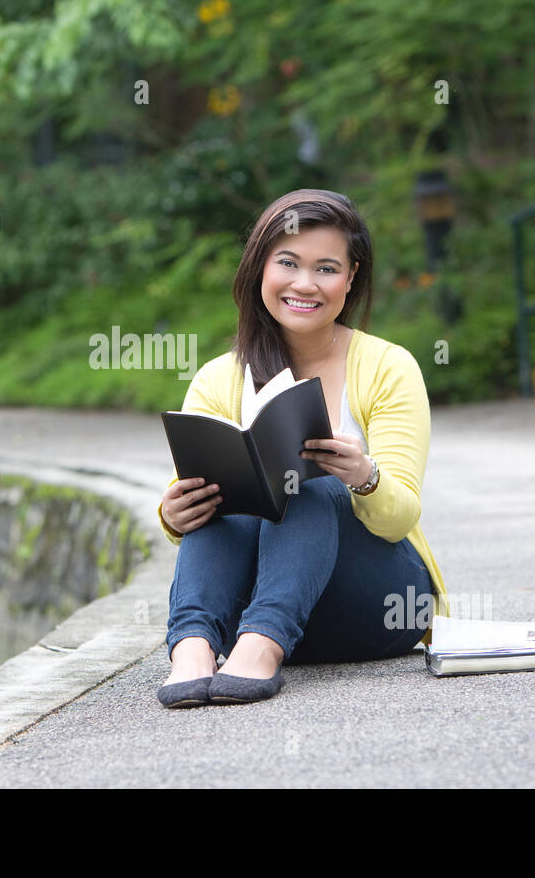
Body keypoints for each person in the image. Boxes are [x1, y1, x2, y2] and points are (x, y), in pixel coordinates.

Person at [156, 188, 450, 708]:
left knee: (308, 486)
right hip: (250, 614)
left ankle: (261, 653)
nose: (305, 284)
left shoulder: (388, 366)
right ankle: (193, 650)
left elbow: (399, 520)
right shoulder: (218, 379)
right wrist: (175, 514)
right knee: (226, 501)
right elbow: (202, 522)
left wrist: (362, 476)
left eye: (326, 268)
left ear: (351, 277)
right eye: (288, 263)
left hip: (375, 606)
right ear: (260, 268)